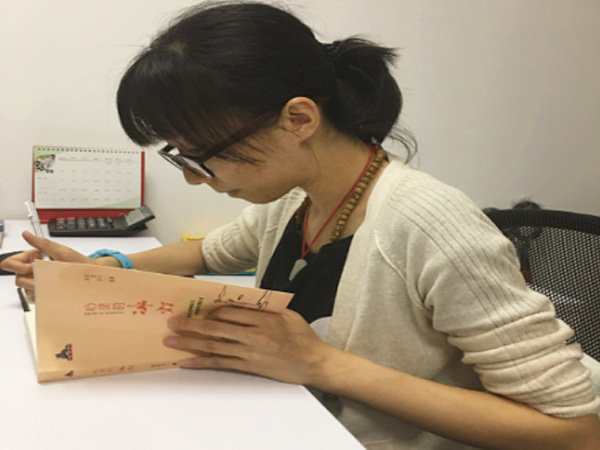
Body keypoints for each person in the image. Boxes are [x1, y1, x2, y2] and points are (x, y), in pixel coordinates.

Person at [2, 2, 599, 449]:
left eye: (203, 157)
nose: (195, 180)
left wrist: (321, 364)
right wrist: (104, 270)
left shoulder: (429, 224)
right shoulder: (295, 198)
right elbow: (208, 252)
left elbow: (576, 431)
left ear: (298, 119)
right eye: (180, 158)